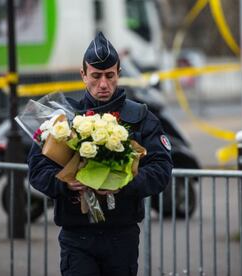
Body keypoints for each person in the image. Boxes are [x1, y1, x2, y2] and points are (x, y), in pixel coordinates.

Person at [27, 32, 173, 276]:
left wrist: (124, 182)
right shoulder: (64, 119)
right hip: (77, 237)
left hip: (122, 237)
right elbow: (37, 168)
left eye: (109, 75)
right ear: (83, 75)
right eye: (96, 76)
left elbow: (161, 169)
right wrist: (65, 183)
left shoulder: (140, 118)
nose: (103, 84)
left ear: (119, 74)